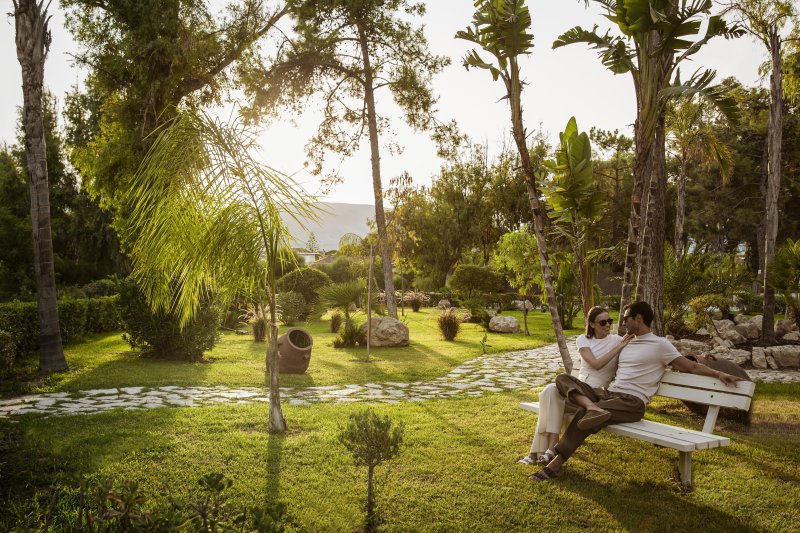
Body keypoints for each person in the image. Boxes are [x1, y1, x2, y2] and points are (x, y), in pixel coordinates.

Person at [530, 301, 746, 482]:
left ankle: (556, 463)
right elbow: (600, 357)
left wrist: (718, 374)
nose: (622, 322)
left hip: (632, 402)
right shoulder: (628, 342)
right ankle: (592, 407)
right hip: (609, 394)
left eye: (626, 318)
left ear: (639, 318)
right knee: (562, 379)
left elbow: (690, 366)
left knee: (587, 414)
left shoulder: (660, 345)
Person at [518, 306, 632, 465]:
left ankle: (538, 452)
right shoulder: (583, 339)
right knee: (550, 391)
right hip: (575, 390)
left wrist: (620, 345)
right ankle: (550, 447)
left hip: (594, 395)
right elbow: (595, 363)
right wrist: (618, 348)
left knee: (549, 396)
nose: (607, 325)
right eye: (602, 322)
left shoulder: (617, 341)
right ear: (592, 324)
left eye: (609, 321)